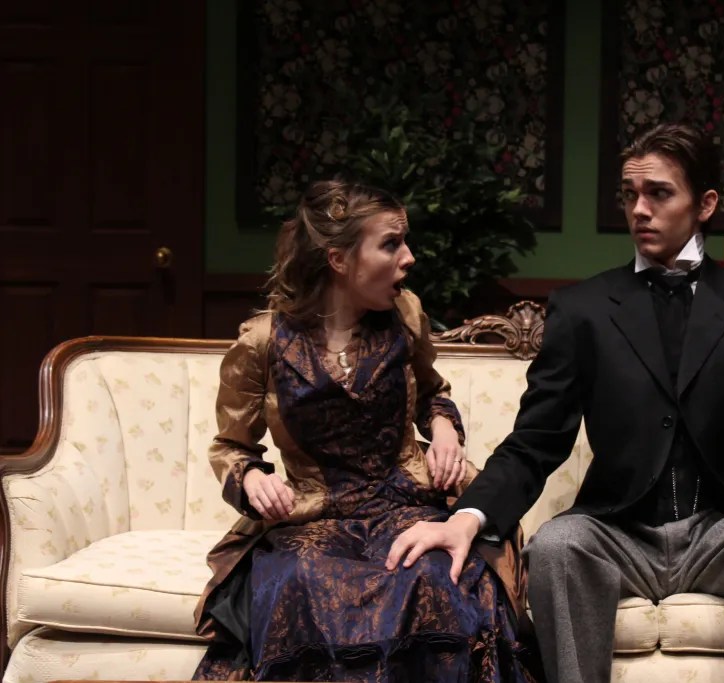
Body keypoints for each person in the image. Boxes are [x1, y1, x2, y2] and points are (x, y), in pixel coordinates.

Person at [387, 122, 724, 683]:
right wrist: (467, 517)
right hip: (616, 531)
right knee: (556, 546)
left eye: (659, 193)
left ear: (705, 204)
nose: (640, 210)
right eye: (630, 195)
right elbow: (536, 441)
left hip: (721, 529)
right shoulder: (583, 309)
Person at [192, 180, 541, 682]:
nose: (409, 257)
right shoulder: (264, 343)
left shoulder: (405, 315)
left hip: (410, 500)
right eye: (391, 243)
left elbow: (432, 392)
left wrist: (444, 429)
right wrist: (251, 479)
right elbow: (231, 446)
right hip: (316, 517)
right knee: (300, 583)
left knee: (437, 574)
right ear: (339, 259)